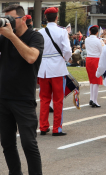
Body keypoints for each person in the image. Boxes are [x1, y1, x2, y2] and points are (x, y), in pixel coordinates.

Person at [0, 4, 44, 174]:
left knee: (29, 143)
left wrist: (11, 36)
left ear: (23, 19)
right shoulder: (4, 37)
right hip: (3, 96)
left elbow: (31, 57)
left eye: (11, 19)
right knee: (7, 143)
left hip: (23, 98)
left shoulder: (35, 37)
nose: (8, 22)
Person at [38, 7, 72, 137]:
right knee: (58, 100)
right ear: (56, 17)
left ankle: (43, 127)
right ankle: (57, 128)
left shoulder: (40, 32)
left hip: (43, 69)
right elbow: (67, 50)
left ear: (45, 18)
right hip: (57, 68)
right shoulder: (62, 31)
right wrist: (65, 59)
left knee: (44, 99)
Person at [86, 25, 104, 108]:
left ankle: (91, 98)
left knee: (92, 80)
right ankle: (95, 100)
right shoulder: (98, 41)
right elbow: (102, 52)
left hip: (88, 59)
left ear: (90, 32)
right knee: (96, 81)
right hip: (96, 60)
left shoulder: (86, 39)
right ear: (97, 32)